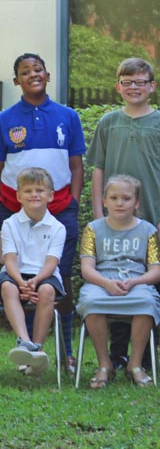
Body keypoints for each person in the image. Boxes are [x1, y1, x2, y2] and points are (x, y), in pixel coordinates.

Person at [0, 52, 85, 371]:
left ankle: (65, 352)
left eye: (38, 69)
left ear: (48, 75)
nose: (33, 74)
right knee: (16, 277)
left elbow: (76, 164)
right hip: (13, 209)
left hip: (59, 209)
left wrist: (74, 200)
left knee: (62, 279)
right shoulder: (4, 120)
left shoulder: (68, 116)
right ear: (16, 80)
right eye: (26, 71)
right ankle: (26, 345)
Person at [87, 57, 160, 370]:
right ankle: (116, 354)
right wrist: (96, 215)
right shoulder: (108, 122)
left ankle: (145, 355)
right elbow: (98, 170)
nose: (134, 87)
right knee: (115, 276)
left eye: (140, 82)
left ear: (152, 86)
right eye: (127, 82)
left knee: (150, 284)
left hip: (152, 217)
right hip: (114, 222)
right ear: (118, 86)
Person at [77, 175, 160, 389]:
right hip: (101, 282)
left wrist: (134, 282)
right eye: (113, 198)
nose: (119, 203)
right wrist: (106, 284)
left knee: (147, 302)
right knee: (91, 302)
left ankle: (135, 365)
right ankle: (105, 365)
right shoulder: (93, 229)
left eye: (126, 198)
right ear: (104, 201)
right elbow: (87, 269)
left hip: (136, 282)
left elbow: (155, 271)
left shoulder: (148, 231)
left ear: (137, 202)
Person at [0, 168, 66, 376]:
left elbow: (52, 263)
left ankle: (37, 349)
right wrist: (21, 282)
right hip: (15, 273)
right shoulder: (10, 224)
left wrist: (35, 281)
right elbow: (9, 259)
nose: (34, 194)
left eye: (40, 190)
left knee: (47, 292)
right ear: (18, 196)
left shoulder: (57, 227)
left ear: (50, 195)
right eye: (28, 191)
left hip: (44, 275)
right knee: (8, 287)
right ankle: (25, 343)